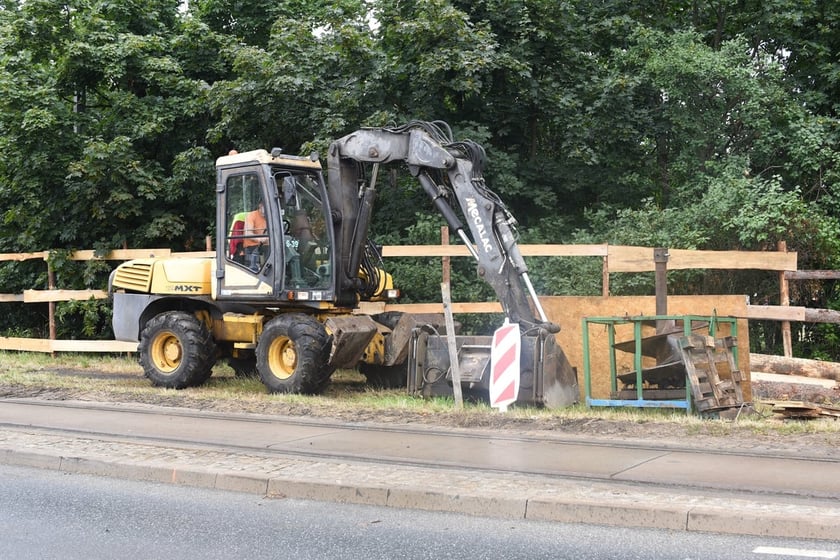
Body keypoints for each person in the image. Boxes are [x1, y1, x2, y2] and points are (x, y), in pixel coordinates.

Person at [243, 200, 268, 270]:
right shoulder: (251, 215)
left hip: (265, 247)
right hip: (252, 248)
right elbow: (248, 233)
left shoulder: (270, 218)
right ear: (260, 205)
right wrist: (261, 239)